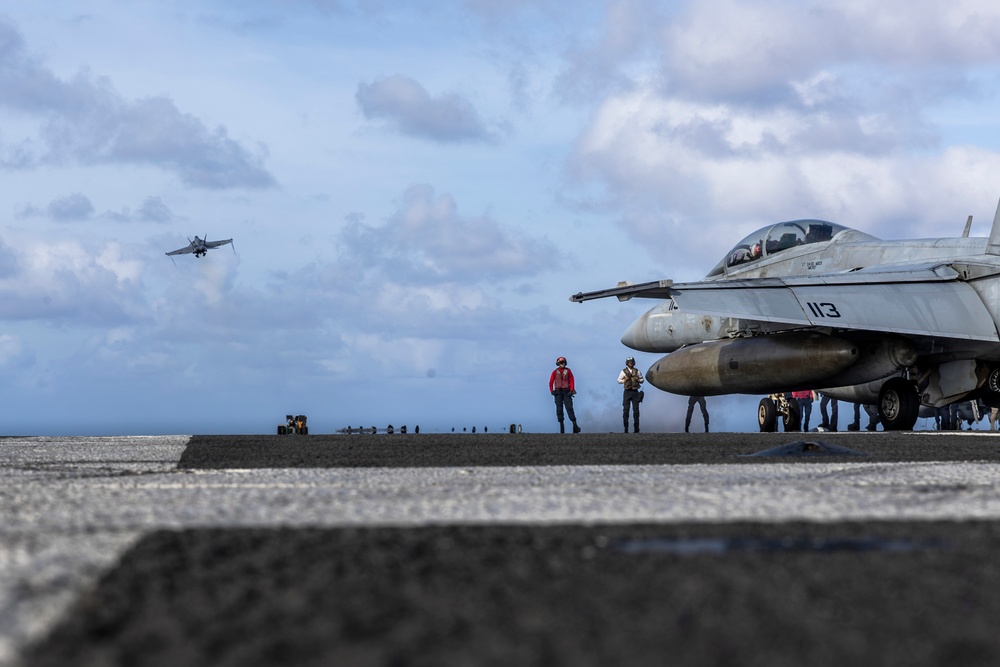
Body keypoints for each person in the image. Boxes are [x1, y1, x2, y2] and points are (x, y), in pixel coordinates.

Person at [549, 356, 580, 433]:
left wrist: (571, 390)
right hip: (558, 392)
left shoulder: (568, 371)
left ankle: (574, 425)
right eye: (561, 362)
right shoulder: (555, 372)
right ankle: (562, 427)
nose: (562, 364)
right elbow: (551, 382)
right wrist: (552, 391)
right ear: (558, 363)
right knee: (559, 409)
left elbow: (572, 380)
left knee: (569, 408)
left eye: (563, 362)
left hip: (567, 392)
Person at [617, 357, 644, 433]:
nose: (630, 363)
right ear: (627, 363)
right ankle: (626, 429)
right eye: (629, 362)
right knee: (626, 411)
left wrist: (638, 380)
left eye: (631, 362)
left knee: (636, 411)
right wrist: (624, 380)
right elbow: (618, 380)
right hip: (627, 392)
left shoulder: (637, 371)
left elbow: (642, 380)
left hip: (635, 392)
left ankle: (636, 429)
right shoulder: (623, 371)